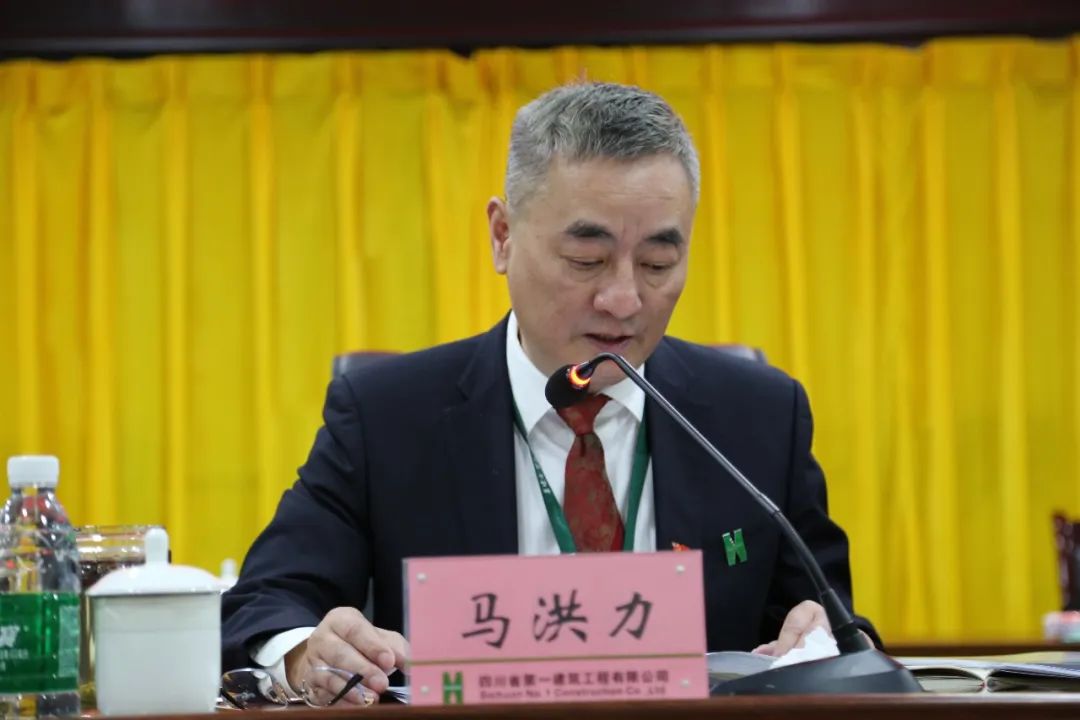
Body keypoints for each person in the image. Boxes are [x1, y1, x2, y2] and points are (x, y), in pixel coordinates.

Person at [221, 81, 879, 705]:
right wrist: (305, 652)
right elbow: (264, 604)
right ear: (502, 237)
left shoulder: (758, 419)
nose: (623, 299)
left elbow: (837, 628)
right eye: (586, 260)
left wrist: (819, 638)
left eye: (657, 263)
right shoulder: (388, 417)